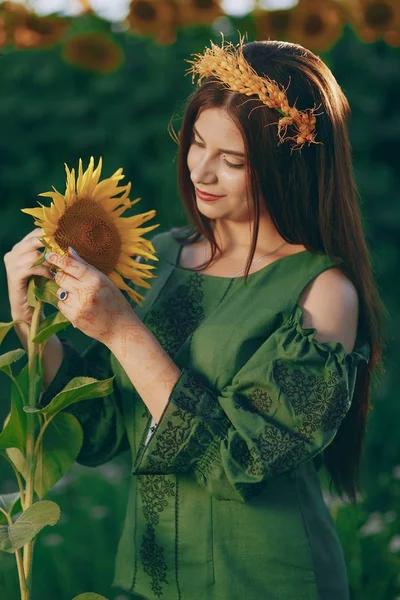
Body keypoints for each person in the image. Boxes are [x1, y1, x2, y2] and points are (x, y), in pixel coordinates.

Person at [4, 38, 385, 600]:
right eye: (197, 144)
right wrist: (27, 319)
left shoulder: (323, 292)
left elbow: (243, 459)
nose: (202, 170)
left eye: (233, 161)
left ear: (289, 164)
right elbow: (103, 432)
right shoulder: (158, 257)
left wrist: (122, 331)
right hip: (148, 575)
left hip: (264, 579)